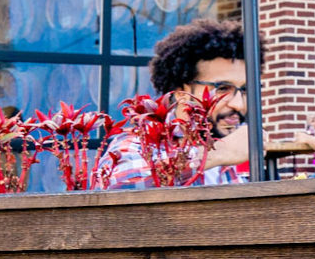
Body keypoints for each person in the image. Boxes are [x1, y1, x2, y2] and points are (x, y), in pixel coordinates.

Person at [104, 18, 256, 188]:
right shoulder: (142, 143)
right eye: (222, 88)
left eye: (244, 90)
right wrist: (219, 153)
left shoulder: (244, 148)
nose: (239, 104)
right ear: (181, 93)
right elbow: (124, 185)